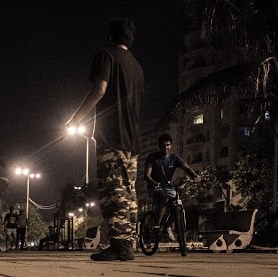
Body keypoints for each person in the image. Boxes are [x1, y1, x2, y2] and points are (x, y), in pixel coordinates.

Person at [66, 17, 145, 261]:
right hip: (133, 138)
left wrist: (75, 119)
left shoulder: (106, 55)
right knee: (129, 192)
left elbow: (99, 90)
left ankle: (120, 245)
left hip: (113, 135)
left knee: (114, 191)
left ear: (110, 36)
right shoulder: (137, 66)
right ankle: (127, 243)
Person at [144, 133, 198, 231]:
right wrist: (154, 183)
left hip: (168, 187)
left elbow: (187, 168)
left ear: (171, 145)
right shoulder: (152, 157)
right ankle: (157, 225)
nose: (166, 147)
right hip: (155, 187)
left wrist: (195, 176)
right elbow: (147, 175)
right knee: (165, 198)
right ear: (159, 146)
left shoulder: (174, 158)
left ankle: (166, 227)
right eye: (163, 145)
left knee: (179, 205)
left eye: (168, 145)